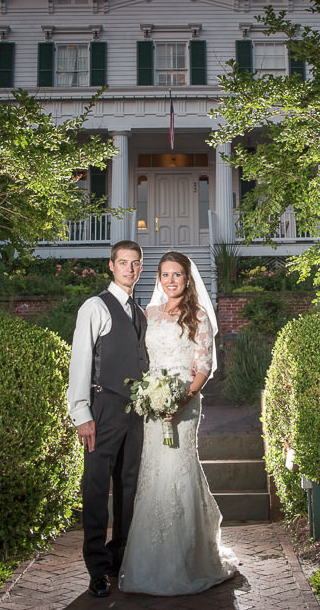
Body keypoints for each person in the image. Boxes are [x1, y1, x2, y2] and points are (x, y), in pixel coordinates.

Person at [118, 251, 238, 596]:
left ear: (187, 279)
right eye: (165, 275)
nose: (171, 281)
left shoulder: (198, 316)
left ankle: (188, 560)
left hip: (184, 405)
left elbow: (203, 368)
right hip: (152, 406)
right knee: (154, 473)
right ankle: (149, 560)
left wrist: (180, 401)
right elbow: (142, 360)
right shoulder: (149, 314)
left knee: (177, 469)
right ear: (159, 278)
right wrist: (149, 396)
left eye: (177, 275)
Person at [66, 240, 147, 598]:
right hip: (103, 408)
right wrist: (81, 413)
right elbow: (80, 361)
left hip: (136, 413)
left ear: (140, 268)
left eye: (135, 263)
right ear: (111, 266)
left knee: (129, 485)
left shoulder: (139, 312)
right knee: (97, 486)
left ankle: (121, 556)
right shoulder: (95, 306)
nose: (130, 269)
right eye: (123, 262)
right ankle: (97, 568)